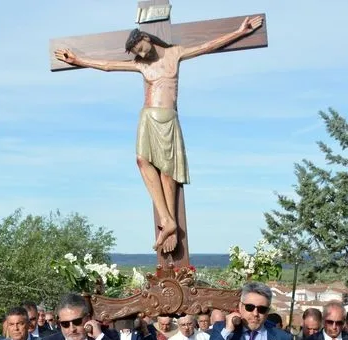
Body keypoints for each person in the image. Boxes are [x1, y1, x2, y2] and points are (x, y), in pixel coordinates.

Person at [54, 16, 264, 254]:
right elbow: (107, 65)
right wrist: (78, 59)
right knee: (142, 160)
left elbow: (207, 46)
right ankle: (167, 220)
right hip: (148, 117)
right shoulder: (141, 65)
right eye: (137, 53)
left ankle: (171, 220)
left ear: (146, 38)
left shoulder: (175, 54)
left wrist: (240, 32)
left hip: (168, 119)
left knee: (167, 170)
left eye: (141, 49)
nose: (142, 55)